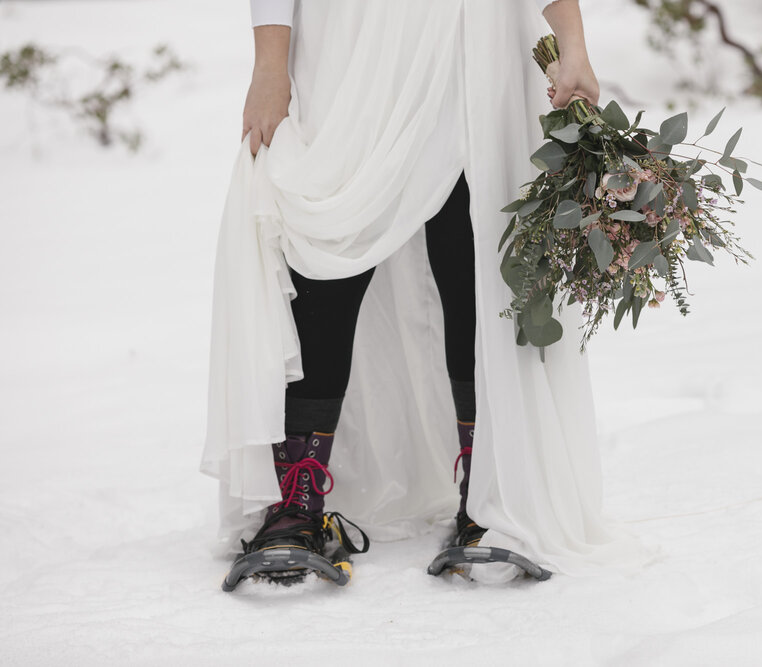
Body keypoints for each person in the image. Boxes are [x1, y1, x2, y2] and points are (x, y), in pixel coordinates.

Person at [203, 0, 654, 588]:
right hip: (353, 51)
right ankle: (295, 500)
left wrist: (572, 36)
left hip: (471, 51)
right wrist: (270, 67)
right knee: (326, 247)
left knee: (476, 264)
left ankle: (485, 498)